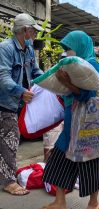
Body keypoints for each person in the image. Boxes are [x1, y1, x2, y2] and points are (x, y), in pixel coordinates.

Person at [36, 31, 99, 209]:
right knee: (59, 159)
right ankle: (60, 203)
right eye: (66, 49)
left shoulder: (92, 65)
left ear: (80, 46)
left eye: (70, 48)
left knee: (90, 162)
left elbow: (88, 94)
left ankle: (93, 204)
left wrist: (66, 82)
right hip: (71, 123)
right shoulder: (74, 65)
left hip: (89, 124)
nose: (68, 52)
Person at [0, 13, 43, 195]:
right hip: (5, 102)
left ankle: (6, 175)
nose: (35, 34)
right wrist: (21, 92)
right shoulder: (5, 48)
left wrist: (47, 80)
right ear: (25, 30)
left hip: (18, 103)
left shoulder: (29, 50)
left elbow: (35, 71)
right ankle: (9, 182)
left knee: (8, 140)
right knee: (11, 139)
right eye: (33, 31)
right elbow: (3, 76)